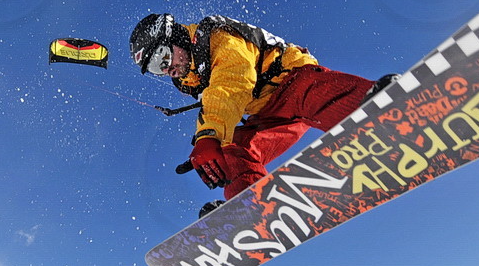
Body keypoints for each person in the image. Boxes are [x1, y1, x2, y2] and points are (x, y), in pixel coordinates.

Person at [130, 13, 397, 216]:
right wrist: (210, 143)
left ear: (176, 37)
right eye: (155, 69)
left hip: (290, 82)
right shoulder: (190, 79)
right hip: (267, 116)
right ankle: (249, 206)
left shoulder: (218, 37)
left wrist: (208, 135)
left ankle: (383, 112)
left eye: (163, 57)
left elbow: (232, 83)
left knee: (314, 93)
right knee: (232, 150)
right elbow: (213, 103)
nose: (166, 69)